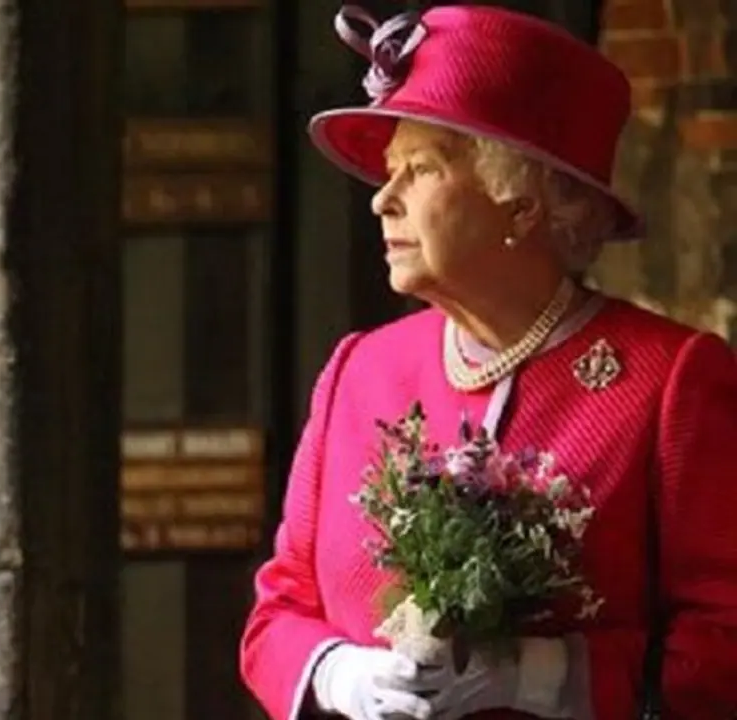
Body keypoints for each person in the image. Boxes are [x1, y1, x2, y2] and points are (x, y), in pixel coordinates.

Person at [239, 5, 737, 720]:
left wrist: (542, 675)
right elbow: (279, 611)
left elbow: (725, 642)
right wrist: (339, 675)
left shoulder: (669, 381)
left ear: (523, 206)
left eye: (421, 169)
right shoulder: (358, 372)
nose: (382, 200)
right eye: (389, 173)